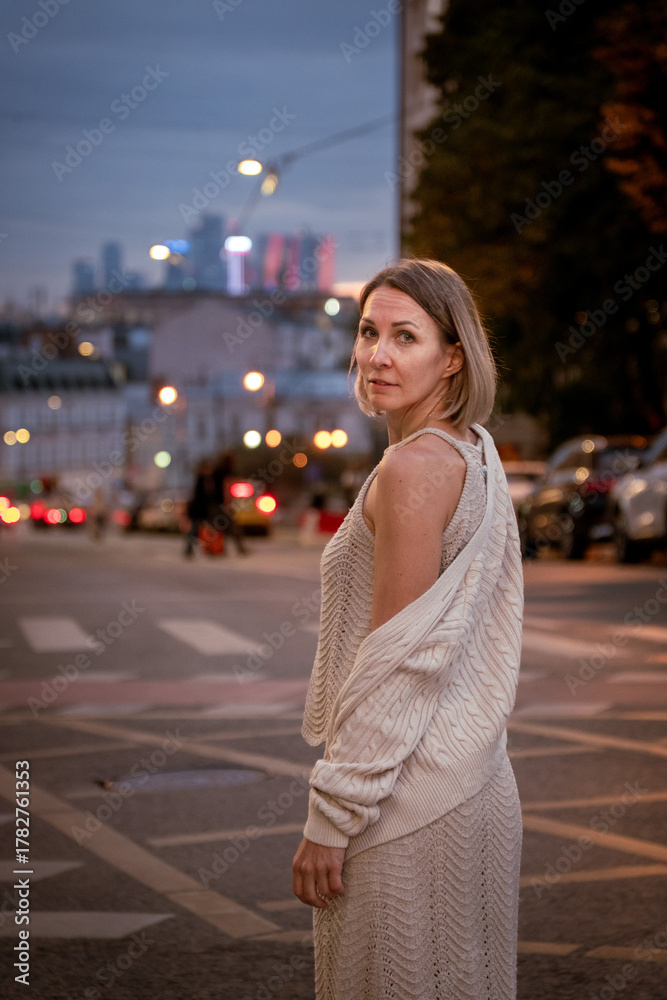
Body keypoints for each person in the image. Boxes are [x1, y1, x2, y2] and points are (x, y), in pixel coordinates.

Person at [292, 259, 524, 999]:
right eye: (367, 333)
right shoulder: (475, 451)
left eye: (404, 336)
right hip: (475, 782)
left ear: (451, 356)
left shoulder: (413, 468)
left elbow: (396, 662)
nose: (377, 356)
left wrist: (331, 816)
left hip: (405, 804)